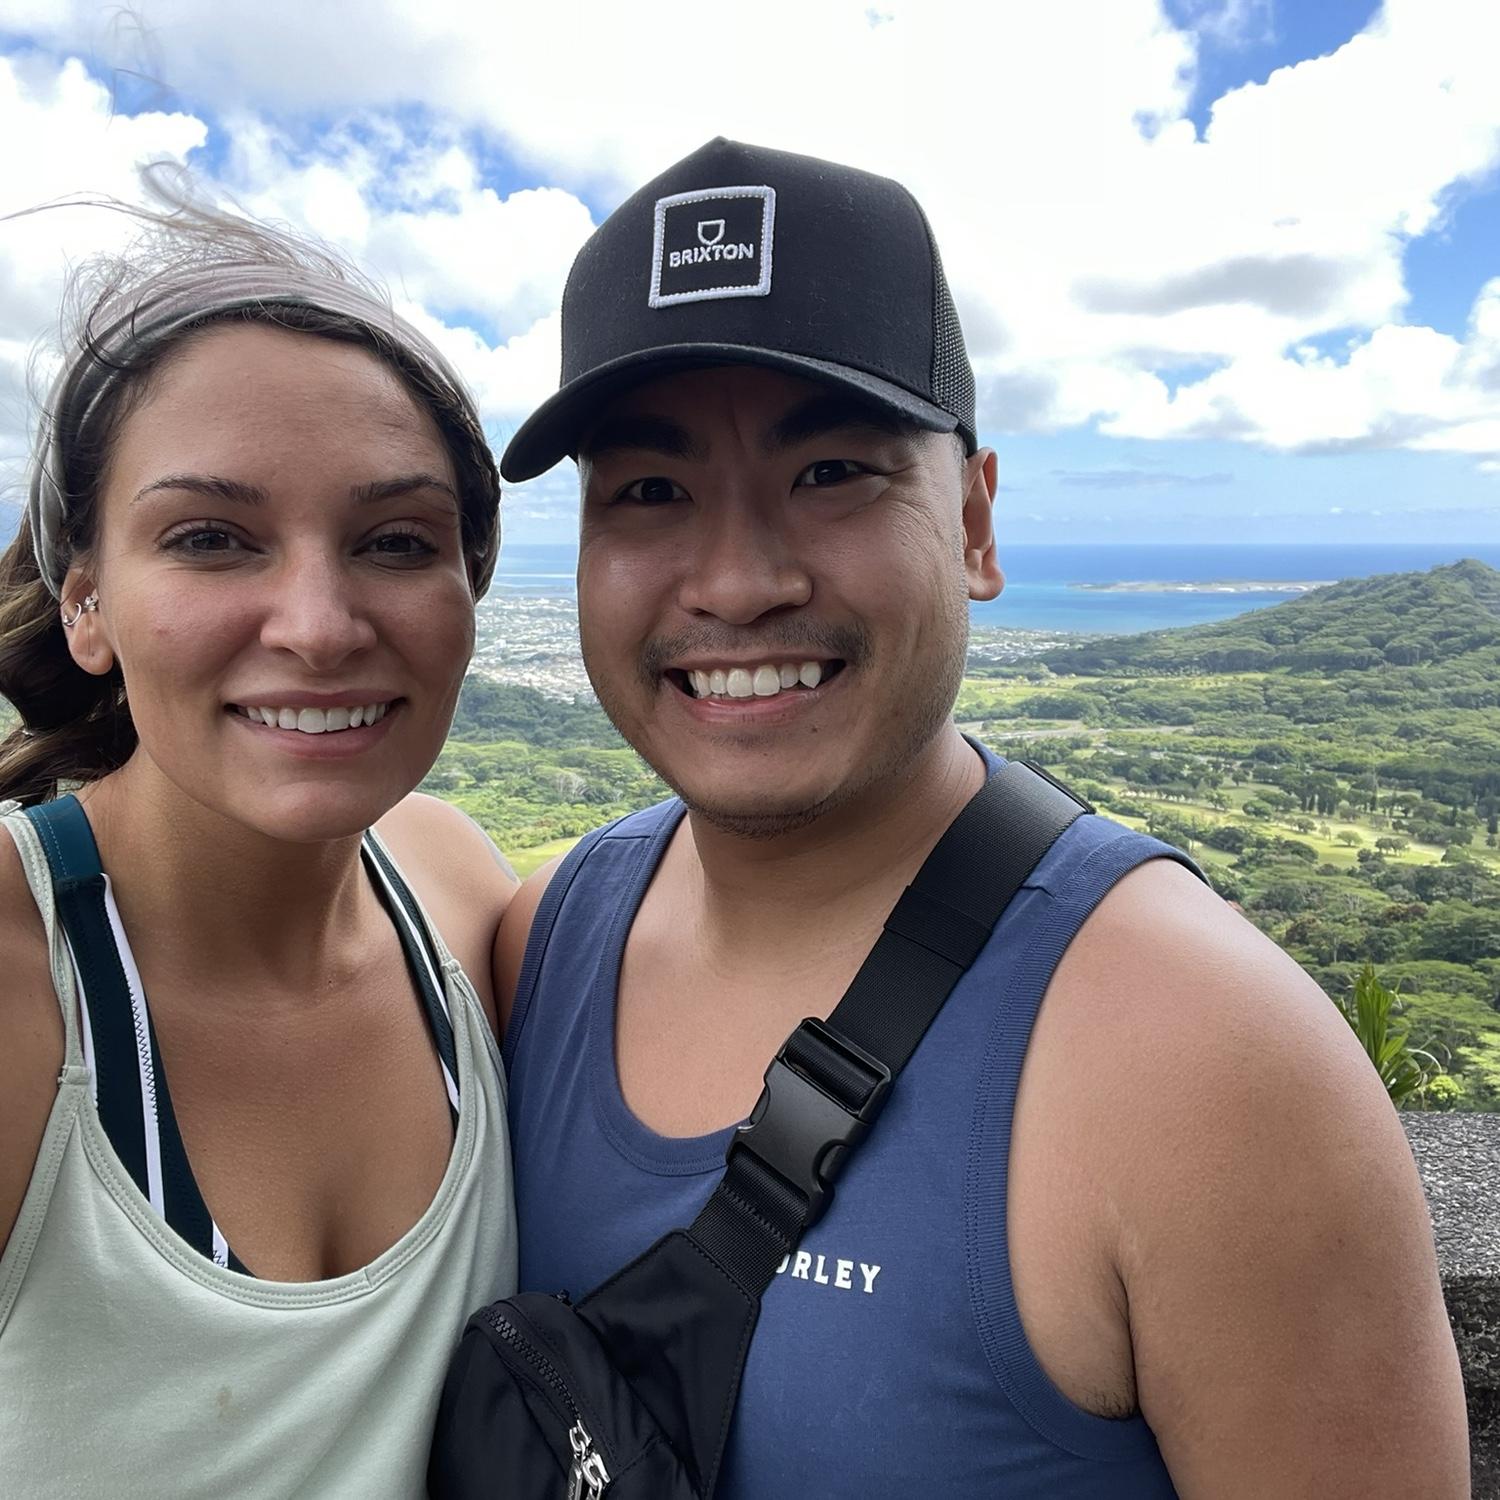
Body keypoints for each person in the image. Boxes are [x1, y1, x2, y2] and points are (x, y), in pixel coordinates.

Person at [493, 138, 1469, 1498]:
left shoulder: (1212, 1065)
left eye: (832, 470)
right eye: (649, 492)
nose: (737, 579)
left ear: (973, 520)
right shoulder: (539, 947)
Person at [0, 189, 517, 1498]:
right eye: (213, 538)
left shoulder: (460, 898)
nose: (320, 622)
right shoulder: (24, 992)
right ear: (89, 605)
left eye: (395, 541)